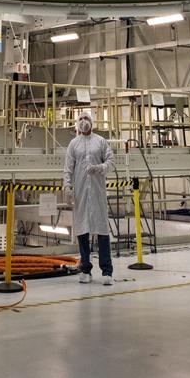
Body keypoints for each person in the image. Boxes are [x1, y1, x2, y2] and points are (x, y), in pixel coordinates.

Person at [63, 111, 116, 285]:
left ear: (92, 122)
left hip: (97, 192)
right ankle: (85, 269)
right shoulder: (73, 144)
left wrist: (99, 168)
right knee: (82, 230)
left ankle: (107, 271)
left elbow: (111, 162)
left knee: (102, 230)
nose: (83, 121)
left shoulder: (100, 141)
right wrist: (68, 187)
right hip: (81, 193)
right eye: (80, 119)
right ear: (76, 123)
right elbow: (68, 168)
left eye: (86, 119)